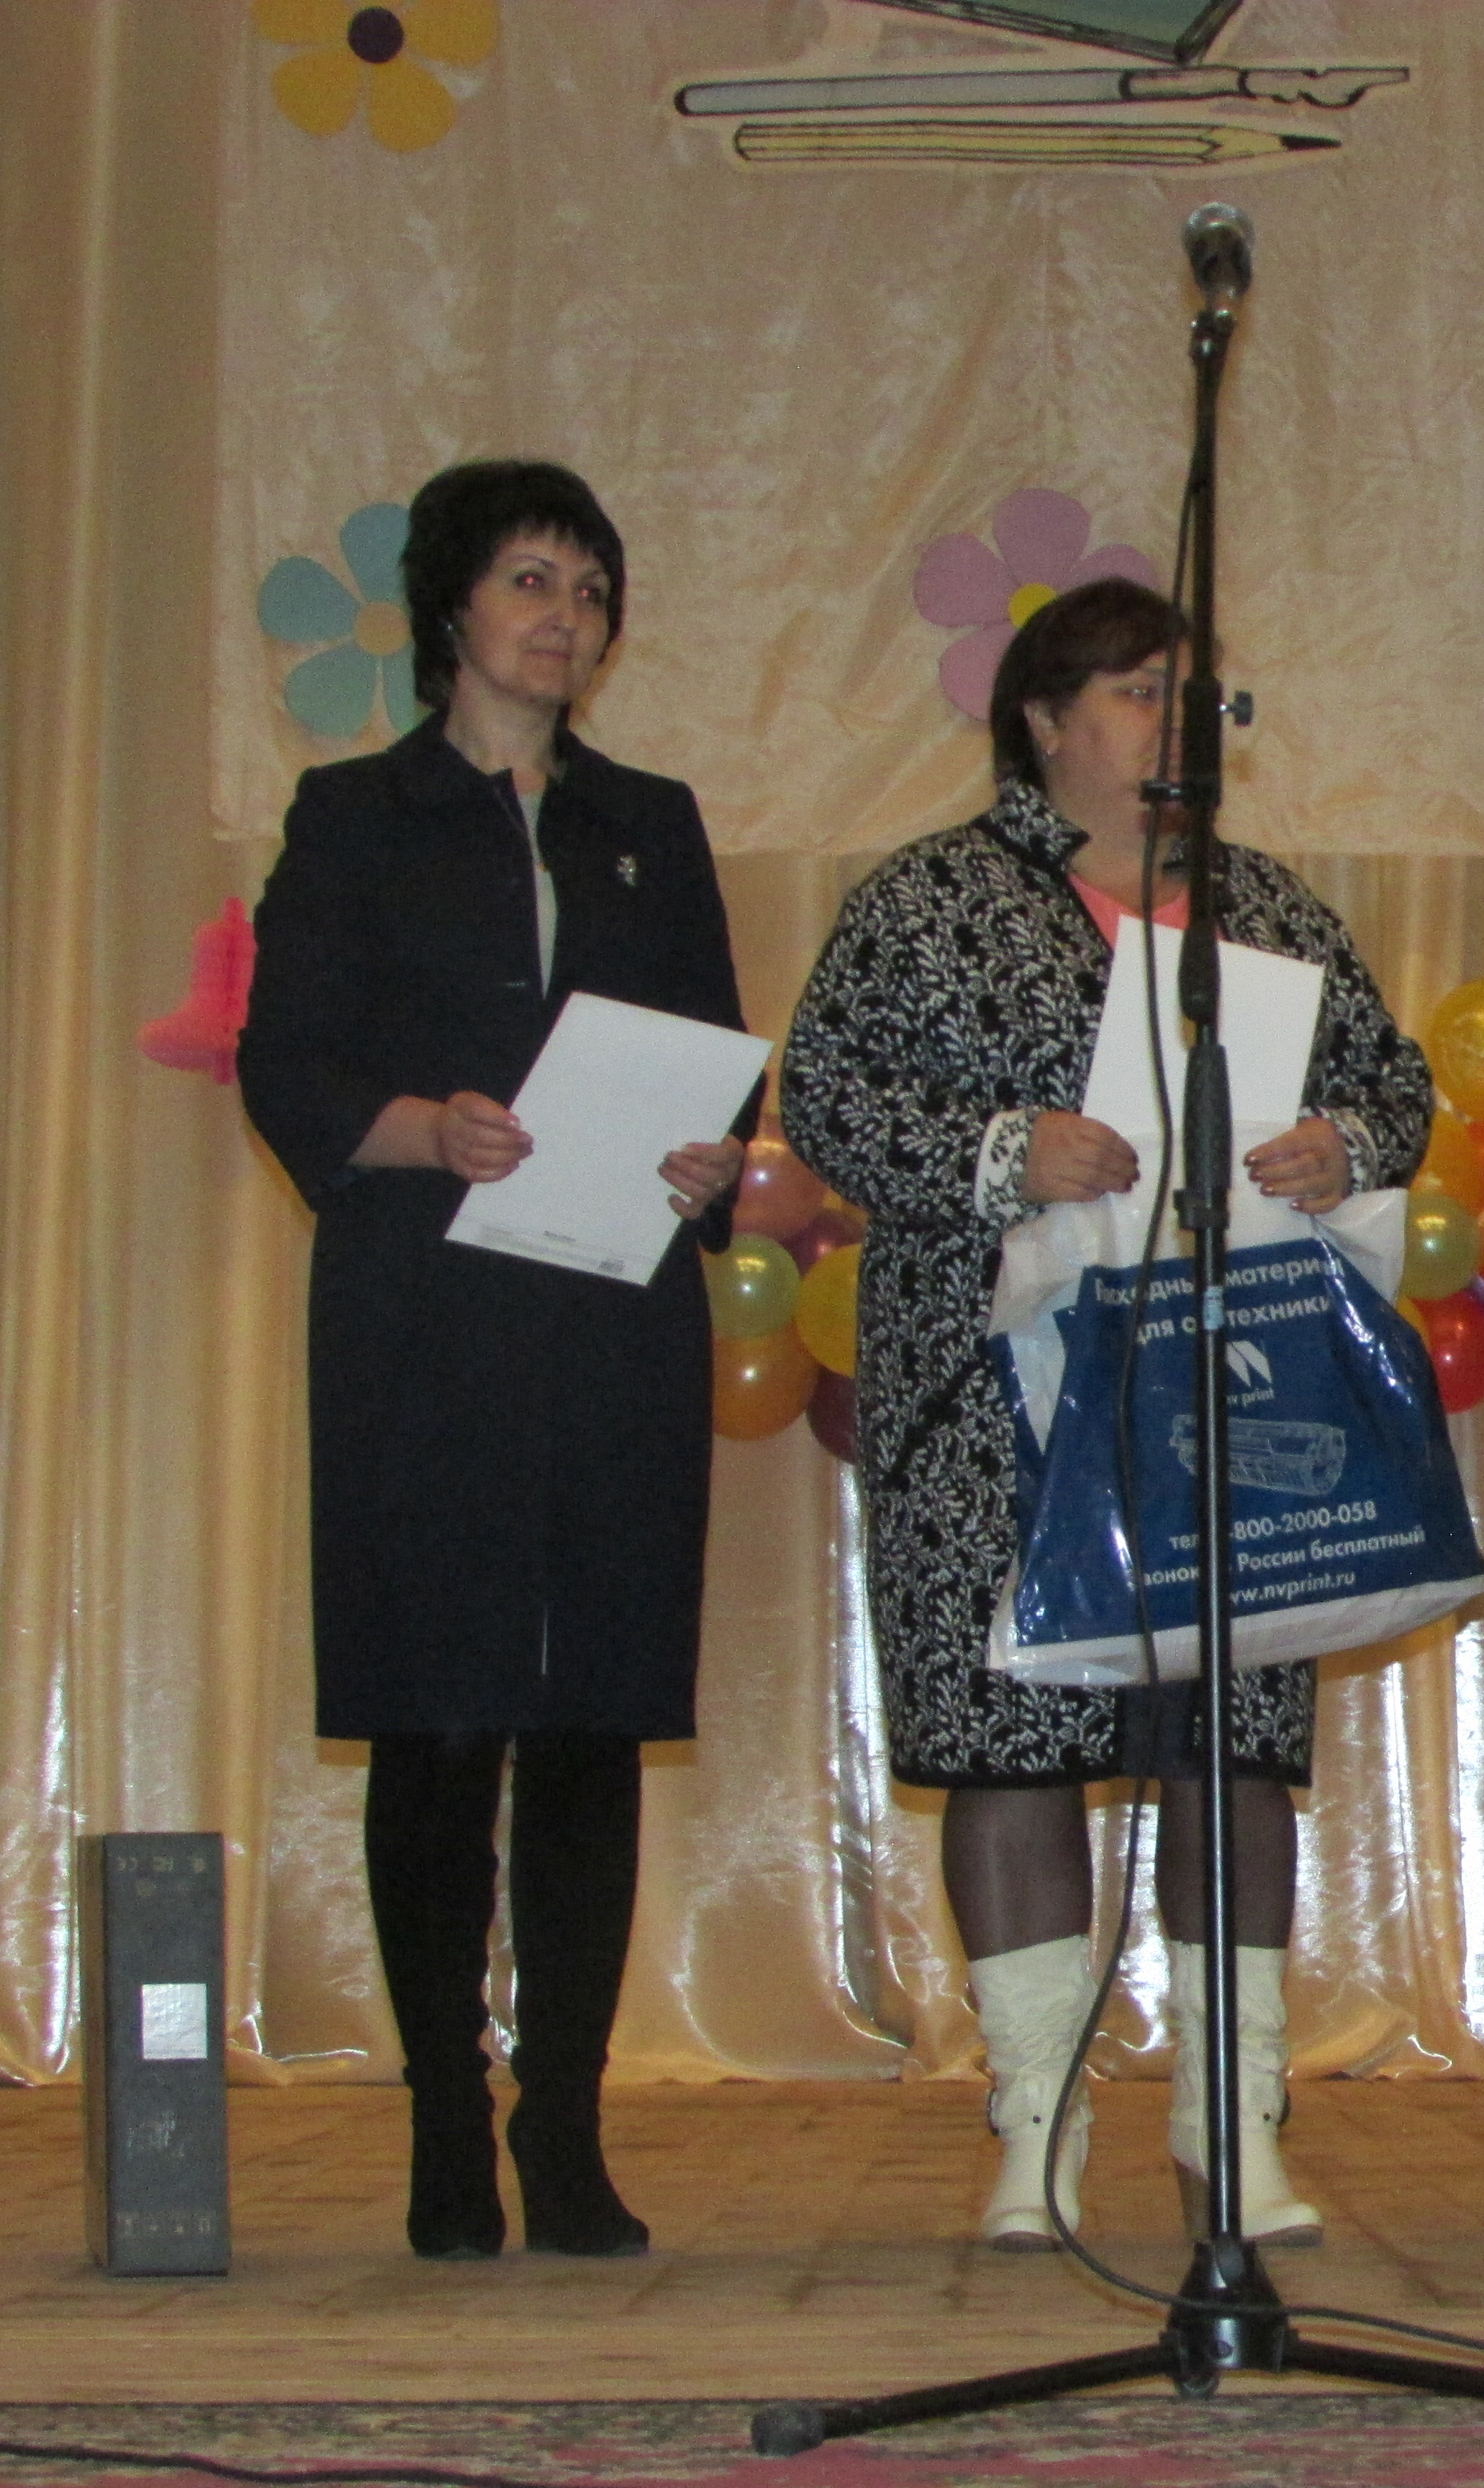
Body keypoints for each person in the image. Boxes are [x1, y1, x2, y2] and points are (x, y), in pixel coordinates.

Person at [780, 577, 1431, 2253]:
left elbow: (1399, 1084)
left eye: (1196, 696)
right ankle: (1036, 2126)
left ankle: (1235, 2127)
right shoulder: (927, 899)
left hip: (1229, 1390)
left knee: (1229, 1742)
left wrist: (1343, 1146)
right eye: (1142, 691)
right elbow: (831, 1094)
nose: (1176, 723)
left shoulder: (1266, 908)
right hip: (987, 1396)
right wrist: (1006, 1150)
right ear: (1046, 719)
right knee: (1010, 1741)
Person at [240, 459, 749, 2261]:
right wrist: (421, 1129)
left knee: (592, 1716)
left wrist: (714, 1161)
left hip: (611, 1310)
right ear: (450, 605)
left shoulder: (648, 818)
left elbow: (715, 1052)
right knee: (444, 1716)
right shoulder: (351, 814)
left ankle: (569, 2124)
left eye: (591, 591)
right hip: (425, 1312)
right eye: (533, 580)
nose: (565, 617)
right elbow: (286, 1059)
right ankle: (448, 2125)